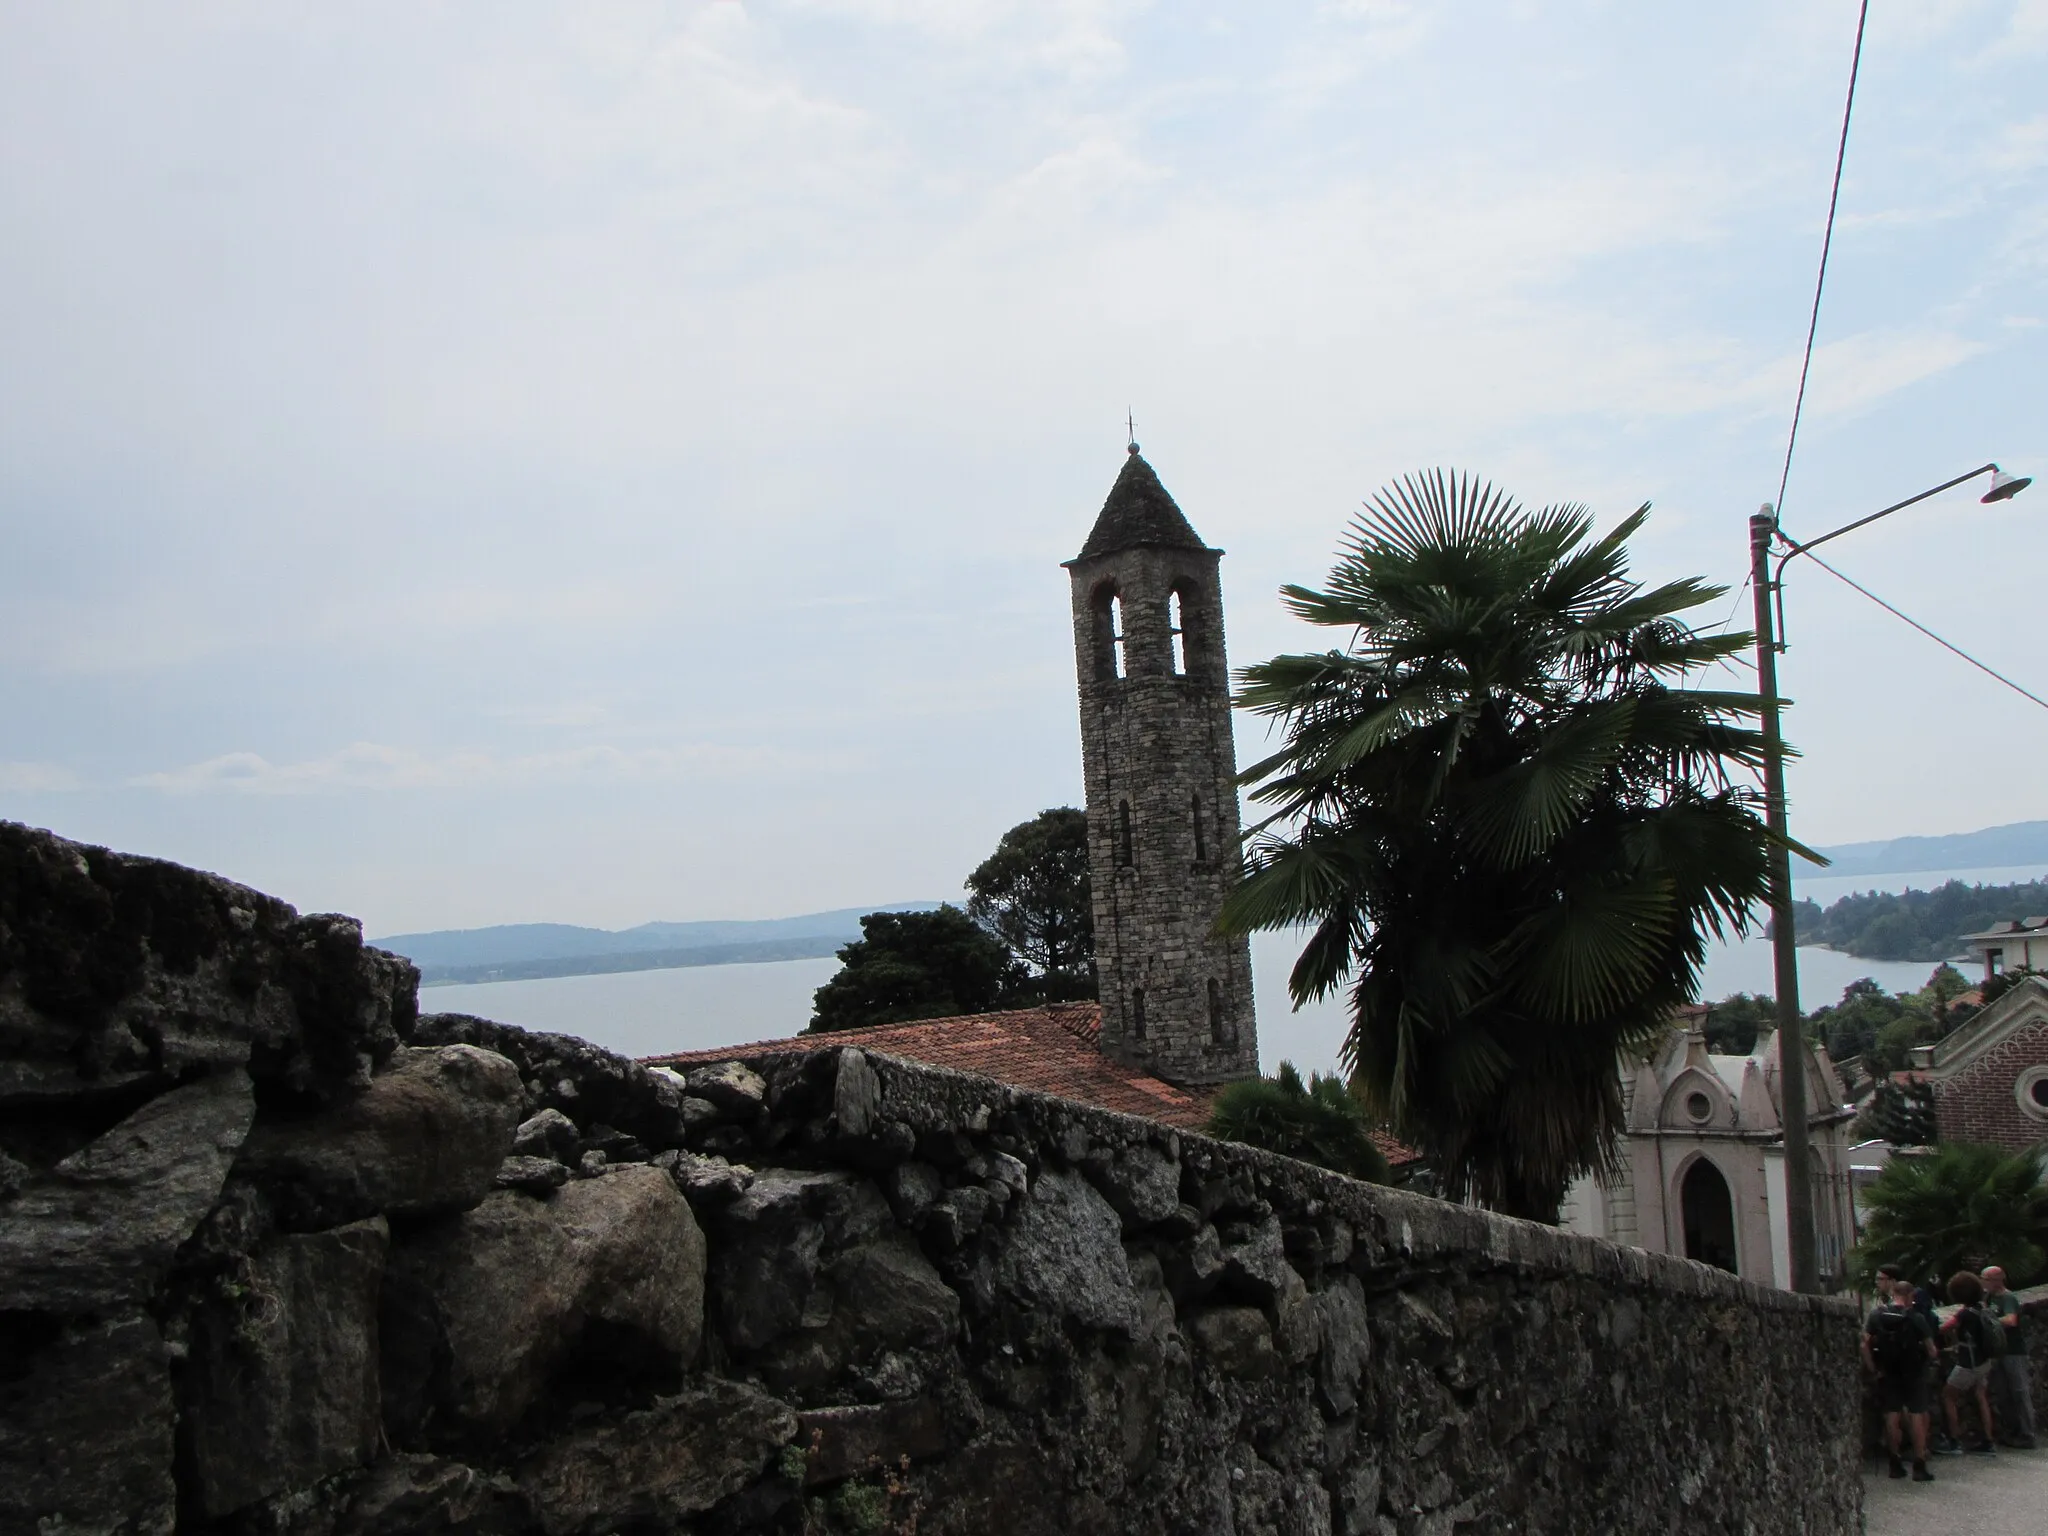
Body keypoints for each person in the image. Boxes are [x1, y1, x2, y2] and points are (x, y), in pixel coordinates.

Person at [1865, 1275, 1937, 1481]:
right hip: (1914, 1372)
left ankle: (1894, 1462)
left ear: (1893, 1293)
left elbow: (1864, 1344)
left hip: (1888, 1372)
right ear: (1910, 1295)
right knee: (1916, 1414)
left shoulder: (1877, 1315)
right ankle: (1919, 1463)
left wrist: (1873, 1368)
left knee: (1892, 1415)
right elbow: (1932, 1350)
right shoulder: (1916, 1318)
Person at [1940, 1270, 2003, 1454]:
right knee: (1980, 1396)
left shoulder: (1965, 1314)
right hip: (1984, 1361)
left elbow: (1944, 1328)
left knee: (1948, 1396)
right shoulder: (1984, 1308)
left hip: (1968, 1364)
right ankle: (1988, 1441)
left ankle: (1954, 1440)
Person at [1981, 1265, 2037, 1448]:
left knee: (2020, 1392)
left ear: (1997, 1280)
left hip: (2013, 1351)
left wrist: (1992, 1322)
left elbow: (2011, 1320)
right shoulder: (1988, 1298)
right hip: (1997, 1352)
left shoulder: (2008, 1298)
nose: (1984, 1282)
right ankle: (2012, 1431)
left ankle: (2027, 1434)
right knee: (2003, 1393)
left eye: (1987, 1279)